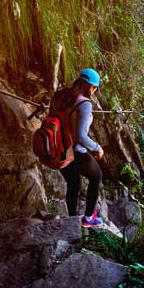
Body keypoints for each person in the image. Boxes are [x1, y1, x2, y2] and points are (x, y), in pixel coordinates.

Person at [56, 68, 104, 227]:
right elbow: (80, 136)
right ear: (91, 86)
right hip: (75, 151)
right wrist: (97, 148)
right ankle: (88, 218)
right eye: (95, 88)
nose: (94, 91)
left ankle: (72, 220)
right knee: (96, 176)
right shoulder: (84, 103)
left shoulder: (60, 94)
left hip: (57, 148)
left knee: (73, 183)